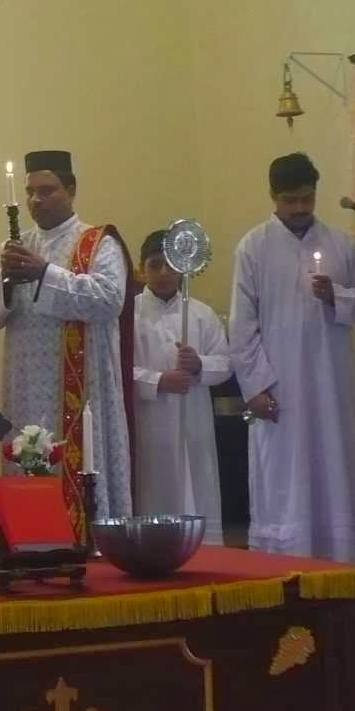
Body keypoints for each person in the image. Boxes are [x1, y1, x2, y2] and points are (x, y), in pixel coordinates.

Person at [229, 152, 355, 563]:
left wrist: (337, 296)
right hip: (280, 388)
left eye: (307, 199)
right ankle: (287, 569)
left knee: (335, 467)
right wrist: (256, 386)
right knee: (285, 476)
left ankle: (344, 569)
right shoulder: (253, 248)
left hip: (331, 381)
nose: (299, 209)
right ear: (273, 196)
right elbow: (242, 327)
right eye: (290, 200)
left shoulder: (339, 244)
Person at [0, 150, 136, 520]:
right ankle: (28, 542)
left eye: (47, 190)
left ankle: (90, 539)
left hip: (82, 393)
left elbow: (110, 300)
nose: (36, 200)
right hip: (27, 387)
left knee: (81, 468)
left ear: (72, 189)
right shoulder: (13, 248)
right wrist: (6, 280)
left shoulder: (98, 242)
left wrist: (44, 273)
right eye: (31, 192)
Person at [132, 229, 230, 543]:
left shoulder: (201, 314)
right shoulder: (128, 315)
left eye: (170, 265)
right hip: (151, 423)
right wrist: (159, 380)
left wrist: (199, 364)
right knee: (155, 488)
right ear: (140, 268)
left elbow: (226, 362)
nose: (163, 273)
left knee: (197, 484)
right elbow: (117, 371)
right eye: (154, 264)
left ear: (183, 268)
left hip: (194, 422)